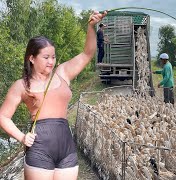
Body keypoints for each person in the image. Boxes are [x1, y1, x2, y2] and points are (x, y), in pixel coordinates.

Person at [0, 11, 107, 180]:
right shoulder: (21, 85)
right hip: (39, 149)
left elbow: (87, 54)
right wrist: (21, 137)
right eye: (46, 57)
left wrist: (91, 27)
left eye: (53, 57)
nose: (51, 61)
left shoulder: (62, 73)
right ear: (32, 58)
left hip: (67, 148)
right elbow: (3, 116)